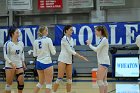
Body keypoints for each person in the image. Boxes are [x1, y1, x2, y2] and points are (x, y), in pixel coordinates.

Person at [53, 25, 88, 93]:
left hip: (69, 60)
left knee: (69, 79)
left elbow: (72, 49)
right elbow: (70, 50)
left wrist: (77, 54)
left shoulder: (71, 39)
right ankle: (53, 92)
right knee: (59, 78)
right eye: (71, 30)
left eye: (72, 30)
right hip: (62, 59)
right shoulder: (64, 38)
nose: (72, 31)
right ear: (66, 30)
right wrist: (80, 56)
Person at [86, 26, 110, 93]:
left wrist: (89, 44)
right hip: (104, 62)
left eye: (96, 31)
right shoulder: (102, 39)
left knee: (99, 81)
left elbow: (96, 49)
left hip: (103, 62)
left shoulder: (104, 39)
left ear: (100, 32)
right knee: (104, 81)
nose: (95, 33)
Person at [33, 26, 56, 93]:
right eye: (47, 30)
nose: (47, 31)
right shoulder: (48, 39)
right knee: (48, 84)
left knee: (40, 83)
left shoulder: (35, 41)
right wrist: (53, 48)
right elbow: (53, 53)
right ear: (44, 31)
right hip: (46, 62)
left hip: (38, 63)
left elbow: (34, 55)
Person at [3, 27, 26, 93]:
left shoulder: (21, 43)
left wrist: (23, 62)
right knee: (9, 84)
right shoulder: (8, 44)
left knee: (21, 83)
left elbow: (22, 53)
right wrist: (12, 64)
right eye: (17, 32)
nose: (18, 34)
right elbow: (5, 56)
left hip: (19, 65)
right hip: (10, 66)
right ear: (12, 34)